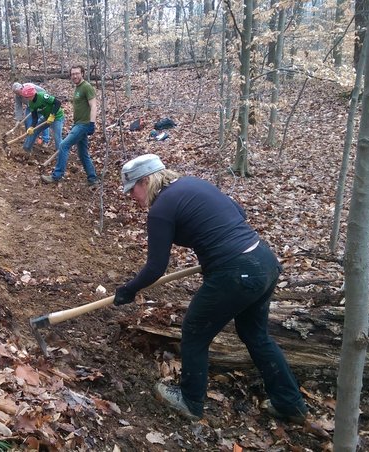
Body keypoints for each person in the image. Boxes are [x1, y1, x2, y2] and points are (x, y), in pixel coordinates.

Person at [113, 154, 308, 424]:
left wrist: (129, 289)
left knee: (194, 332)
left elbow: (156, 267)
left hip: (236, 272)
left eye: (131, 189)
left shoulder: (160, 210)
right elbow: (241, 213)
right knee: (255, 335)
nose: (130, 196)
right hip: (264, 261)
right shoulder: (193, 184)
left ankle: (191, 401)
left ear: (145, 181)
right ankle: (290, 402)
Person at [40, 65, 99, 186]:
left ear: (82, 73)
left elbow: (94, 105)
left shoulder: (86, 87)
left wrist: (92, 124)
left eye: (77, 73)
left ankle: (56, 176)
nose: (75, 76)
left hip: (84, 124)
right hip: (78, 124)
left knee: (63, 145)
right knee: (82, 154)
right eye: (73, 74)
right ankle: (92, 179)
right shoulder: (78, 88)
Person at [19, 85, 63, 155]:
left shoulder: (43, 96)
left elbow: (58, 103)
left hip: (57, 117)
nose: (26, 98)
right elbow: (35, 117)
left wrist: (52, 115)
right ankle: (26, 150)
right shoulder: (31, 104)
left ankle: (61, 156)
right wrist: (32, 127)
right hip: (46, 117)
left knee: (57, 137)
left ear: (31, 95)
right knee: (34, 131)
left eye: (27, 97)